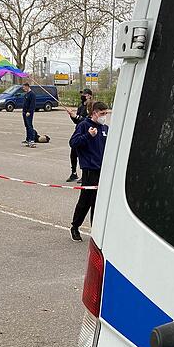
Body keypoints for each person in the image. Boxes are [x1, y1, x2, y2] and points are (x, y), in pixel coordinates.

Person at [69, 101, 109, 241]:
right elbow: (73, 143)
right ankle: (75, 226)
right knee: (85, 201)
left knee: (98, 202)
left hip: (102, 170)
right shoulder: (84, 125)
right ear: (94, 113)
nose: (104, 116)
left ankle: (96, 230)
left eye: (106, 113)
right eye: (102, 113)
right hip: (89, 170)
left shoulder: (105, 128)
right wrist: (88, 136)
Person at [66, 88, 93, 182]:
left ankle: (85, 175)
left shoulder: (91, 106)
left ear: (89, 96)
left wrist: (77, 117)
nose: (83, 96)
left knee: (84, 155)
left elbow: (88, 120)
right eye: (82, 94)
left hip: (87, 133)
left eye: (85, 94)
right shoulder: (81, 106)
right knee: (73, 154)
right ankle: (74, 173)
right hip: (79, 132)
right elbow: (77, 121)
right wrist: (72, 115)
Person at [21, 82, 37, 148]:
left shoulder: (32, 94)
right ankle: (28, 139)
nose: (23, 88)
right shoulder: (26, 94)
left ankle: (32, 140)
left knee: (30, 126)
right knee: (27, 126)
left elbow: (32, 104)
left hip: (29, 113)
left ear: (27, 86)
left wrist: (29, 111)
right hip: (24, 112)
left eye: (24, 87)